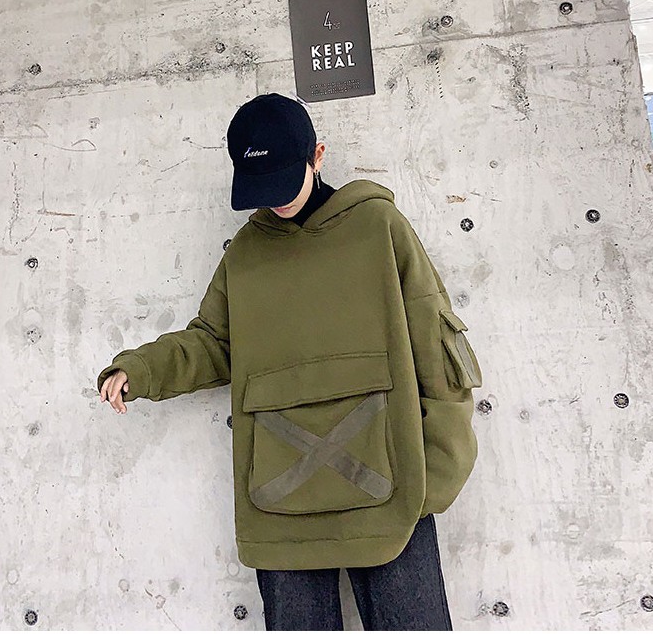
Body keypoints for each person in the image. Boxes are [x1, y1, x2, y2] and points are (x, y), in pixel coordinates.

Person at [97, 92, 483, 630]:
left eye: (283, 180)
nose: (274, 201)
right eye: (261, 187)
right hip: (280, 501)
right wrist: (138, 370)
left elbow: (435, 347)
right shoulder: (246, 253)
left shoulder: (379, 227)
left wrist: (437, 473)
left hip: (391, 490)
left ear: (317, 155)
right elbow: (213, 343)